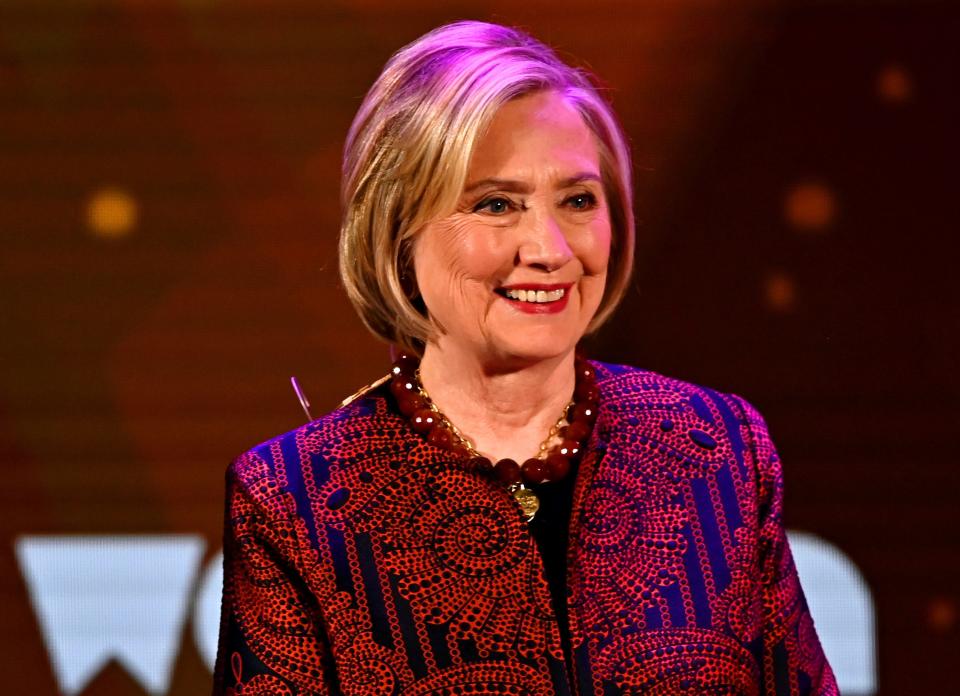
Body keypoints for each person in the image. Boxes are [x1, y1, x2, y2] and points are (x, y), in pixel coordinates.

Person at [213, 20, 838, 695]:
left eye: (577, 200)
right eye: (496, 204)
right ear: (398, 231)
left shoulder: (715, 448)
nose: (550, 248)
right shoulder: (292, 500)